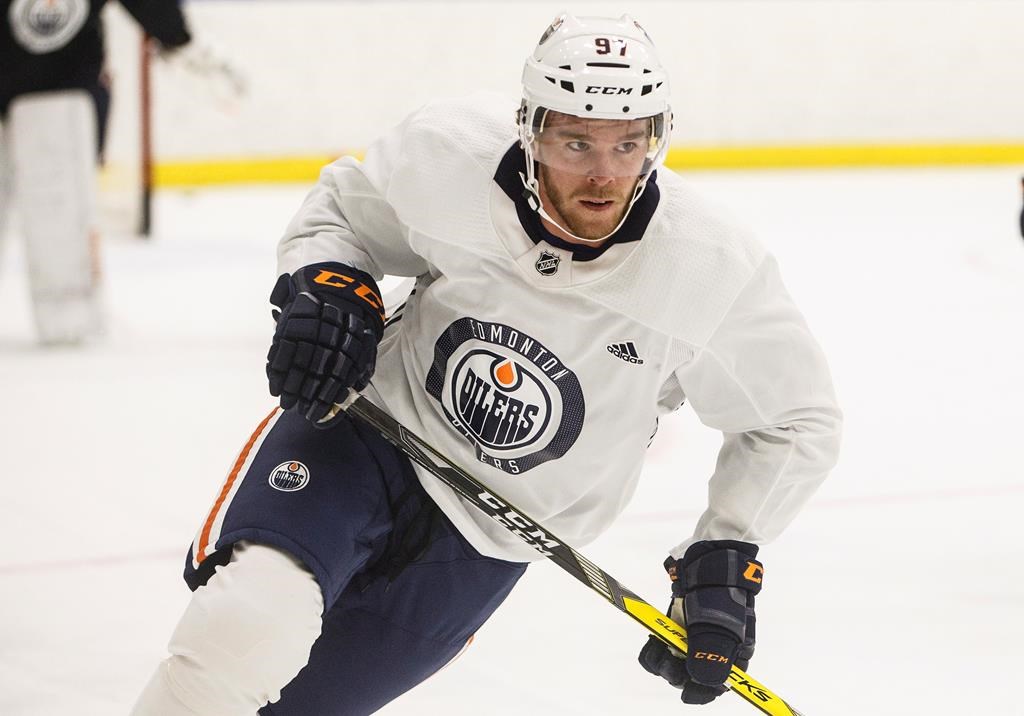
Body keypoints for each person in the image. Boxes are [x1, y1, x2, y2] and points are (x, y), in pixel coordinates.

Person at [132, 13, 842, 715]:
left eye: (629, 144)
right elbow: (344, 216)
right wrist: (330, 285)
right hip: (366, 436)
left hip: (492, 538)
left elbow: (794, 420)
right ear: (530, 128)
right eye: (575, 141)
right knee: (235, 640)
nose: (604, 175)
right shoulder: (448, 154)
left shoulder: (708, 269)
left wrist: (724, 552)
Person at [0, 0, 191, 345]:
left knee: (57, 210)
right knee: (58, 210)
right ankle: (68, 317)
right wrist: (177, 35)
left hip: (58, 88)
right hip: (59, 83)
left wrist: (177, 34)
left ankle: (69, 316)